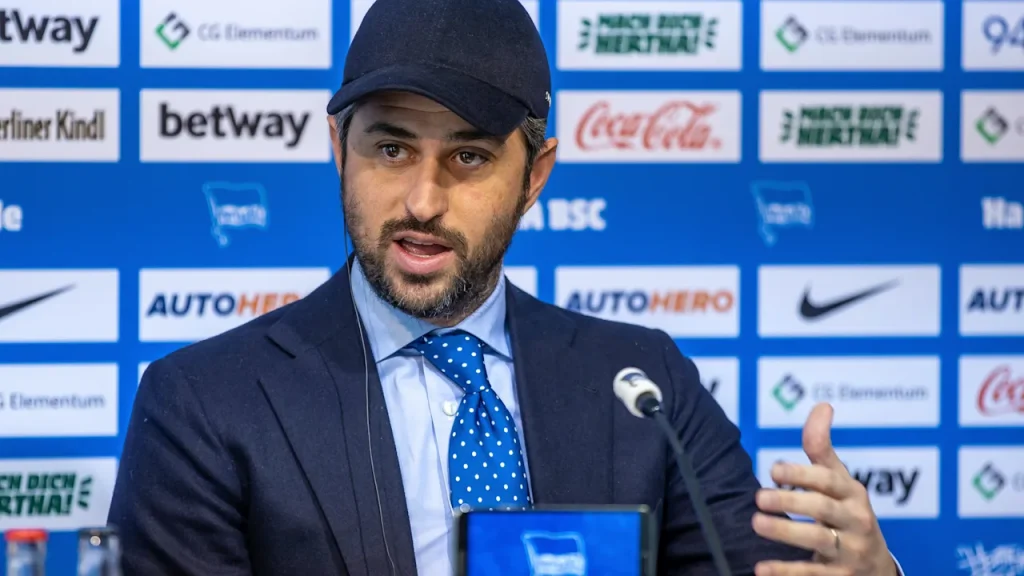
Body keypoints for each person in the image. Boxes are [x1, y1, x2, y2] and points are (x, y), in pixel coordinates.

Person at [108, 0, 907, 574]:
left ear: (535, 176)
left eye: (469, 157)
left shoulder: (643, 383)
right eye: (390, 149)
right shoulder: (205, 404)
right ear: (338, 148)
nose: (422, 201)